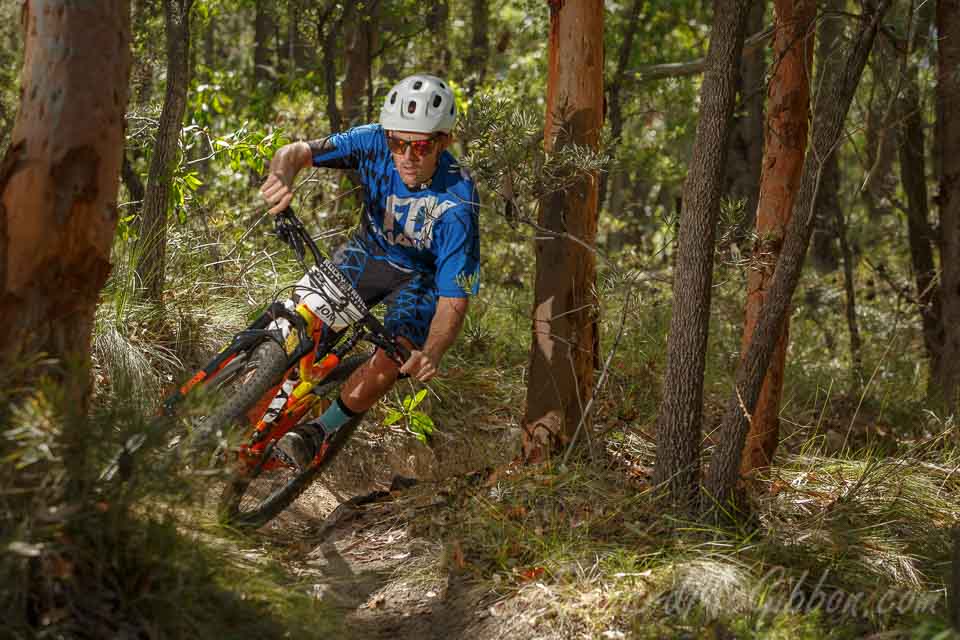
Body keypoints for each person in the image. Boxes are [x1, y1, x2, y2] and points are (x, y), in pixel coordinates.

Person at [259, 74, 480, 469]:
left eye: (421, 146)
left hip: (420, 280)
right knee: (292, 324)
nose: (407, 156)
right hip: (368, 253)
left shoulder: (458, 203)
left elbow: (453, 298)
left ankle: (319, 431)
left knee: (393, 358)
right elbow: (295, 152)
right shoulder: (372, 140)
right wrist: (281, 174)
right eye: (398, 143)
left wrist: (432, 351)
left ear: (444, 142)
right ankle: (241, 399)